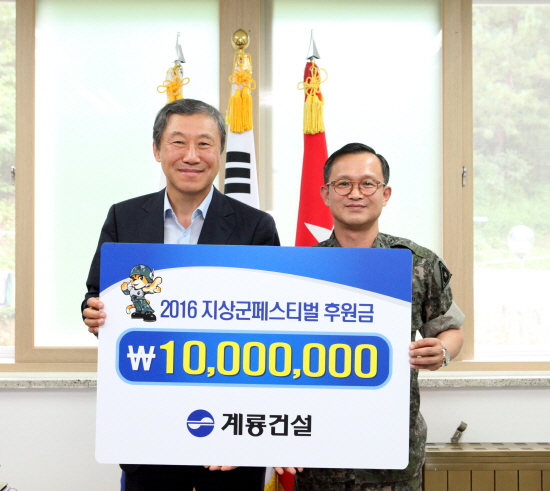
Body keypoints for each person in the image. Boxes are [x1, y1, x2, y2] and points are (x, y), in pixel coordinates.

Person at [82, 98, 280, 491]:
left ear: (220, 153)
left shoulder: (256, 227)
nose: (191, 155)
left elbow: (272, 325)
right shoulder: (124, 217)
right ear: (158, 150)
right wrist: (93, 314)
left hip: (228, 438)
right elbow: (96, 294)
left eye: (204, 144)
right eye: (178, 142)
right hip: (148, 426)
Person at [292, 143, 465, 491]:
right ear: (326, 194)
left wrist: (442, 351)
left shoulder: (417, 262)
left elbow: (451, 330)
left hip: (393, 458)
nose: (356, 193)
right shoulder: (300, 269)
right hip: (319, 453)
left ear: (385, 194)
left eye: (367, 184)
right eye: (343, 184)